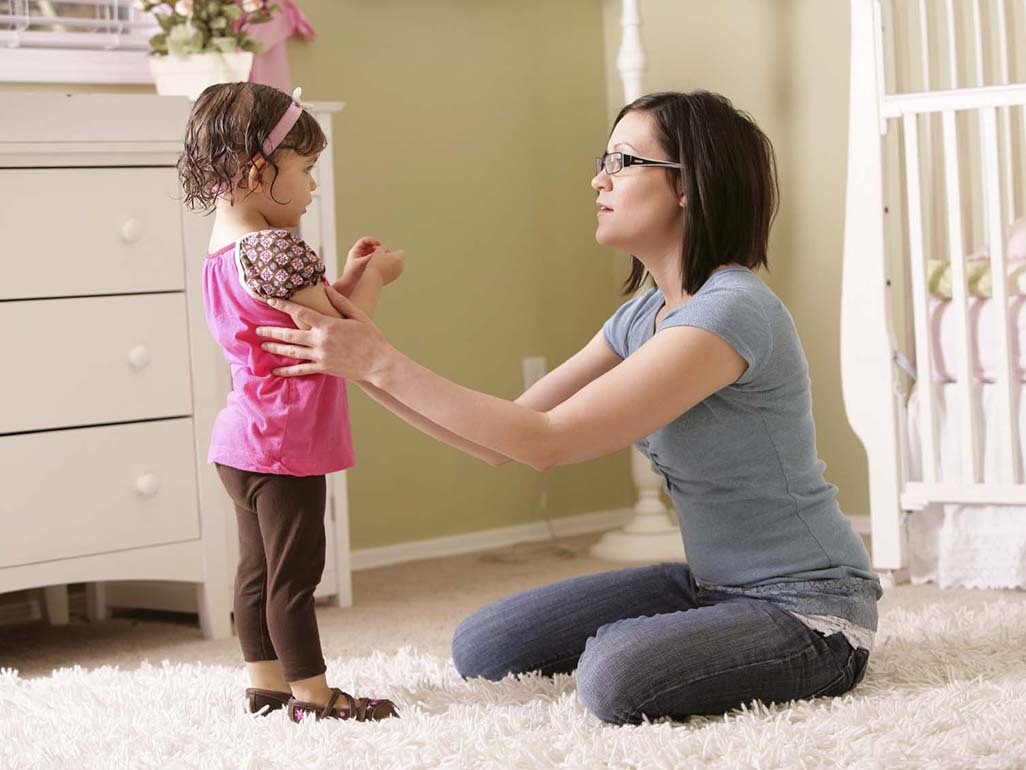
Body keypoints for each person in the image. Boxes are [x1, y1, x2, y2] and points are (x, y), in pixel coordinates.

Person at [256, 90, 882, 725]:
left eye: (622, 161)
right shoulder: (642, 316)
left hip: (810, 609)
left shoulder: (730, 312)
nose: (598, 178)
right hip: (711, 585)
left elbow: (547, 442)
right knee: (486, 646)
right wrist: (358, 359)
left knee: (615, 674)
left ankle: (744, 646)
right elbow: (498, 441)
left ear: (689, 186)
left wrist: (376, 360)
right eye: (602, 159)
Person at [179, 82, 404, 723]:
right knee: (294, 575)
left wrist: (351, 280)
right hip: (286, 444)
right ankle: (313, 695)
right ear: (258, 170)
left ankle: (265, 685)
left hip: (240, 441)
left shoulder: (223, 252)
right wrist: (380, 279)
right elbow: (346, 337)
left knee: (256, 569)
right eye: (305, 171)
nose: (311, 189)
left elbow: (311, 313)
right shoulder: (279, 249)